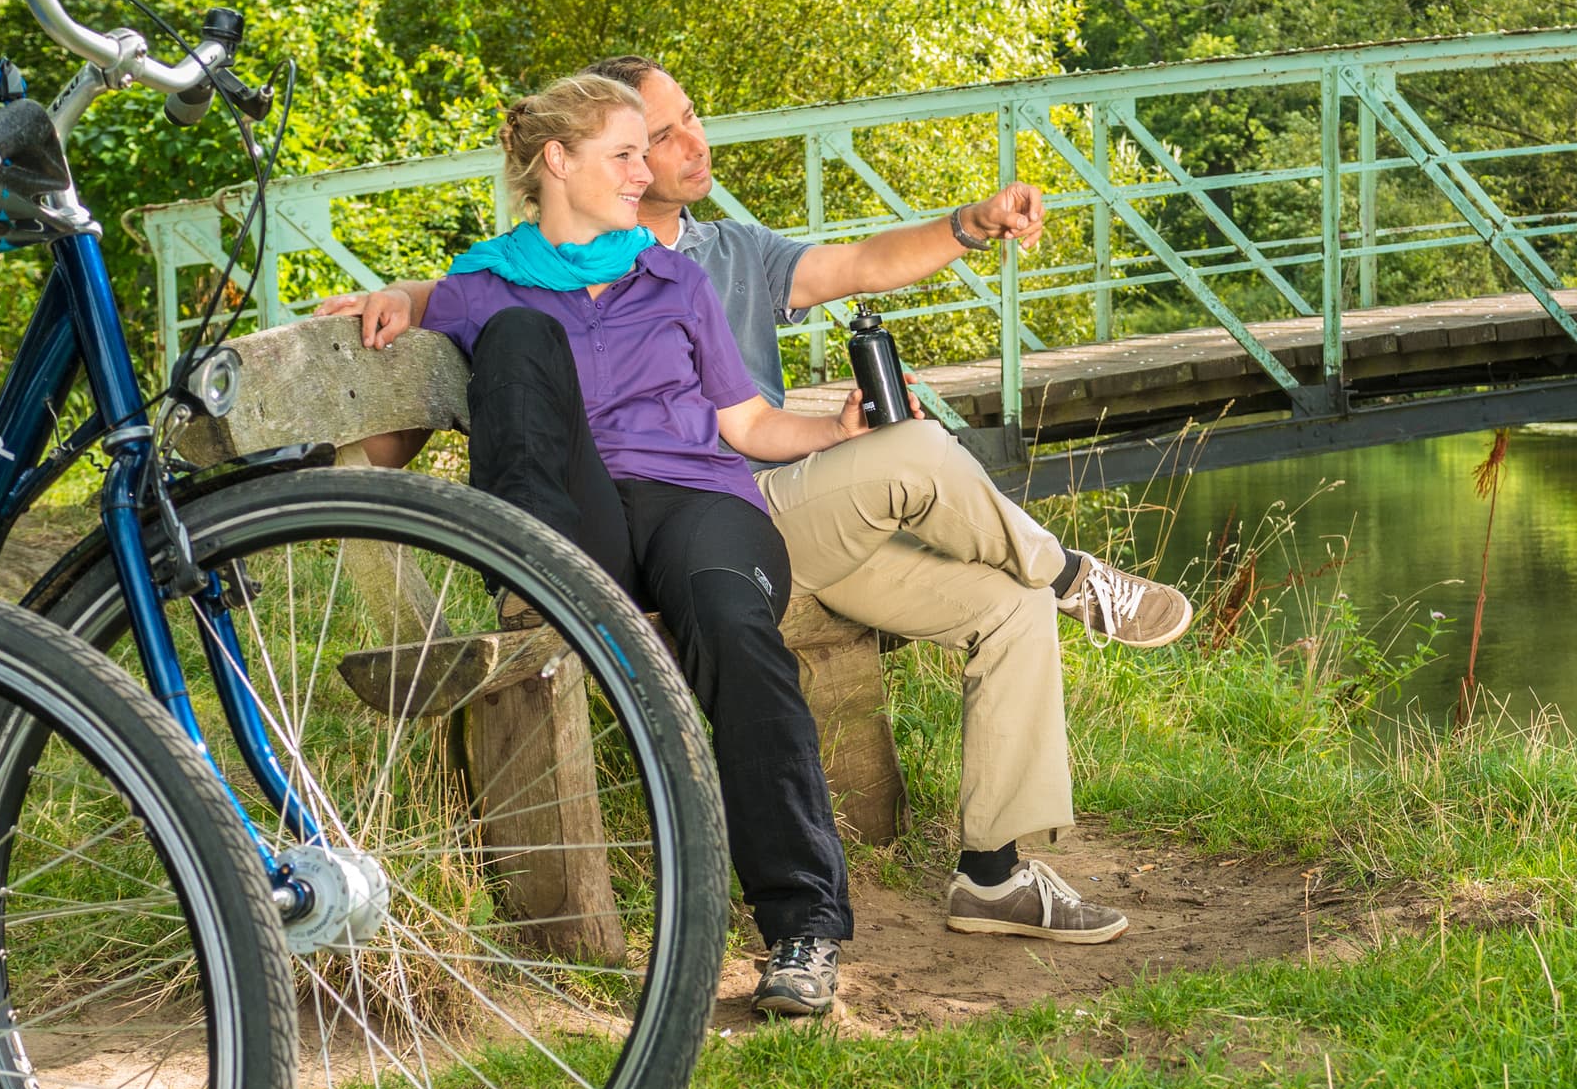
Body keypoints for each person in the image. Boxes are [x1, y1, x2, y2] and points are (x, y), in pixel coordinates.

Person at [325, 57, 1195, 954]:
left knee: (1006, 604)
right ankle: (1074, 575)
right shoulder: (513, 278)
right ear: (566, 159)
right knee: (920, 453)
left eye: (680, 122)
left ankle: (994, 873)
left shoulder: (717, 257)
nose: (682, 147)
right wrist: (402, 302)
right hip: (701, 511)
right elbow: (468, 314)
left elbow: (846, 279)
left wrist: (966, 230)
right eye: (650, 139)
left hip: (755, 507)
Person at [404, 73, 870, 1020]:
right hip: (581, 520)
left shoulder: (675, 276)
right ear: (556, 161)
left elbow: (745, 421)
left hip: (700, 500)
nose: (642, 169)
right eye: (623, 153)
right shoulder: (475, 289)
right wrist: (386, 315)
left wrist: (834, 431)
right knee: (521, 334)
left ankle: (802, 926)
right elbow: (391, 445)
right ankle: (535, 573)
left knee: (733, 626)